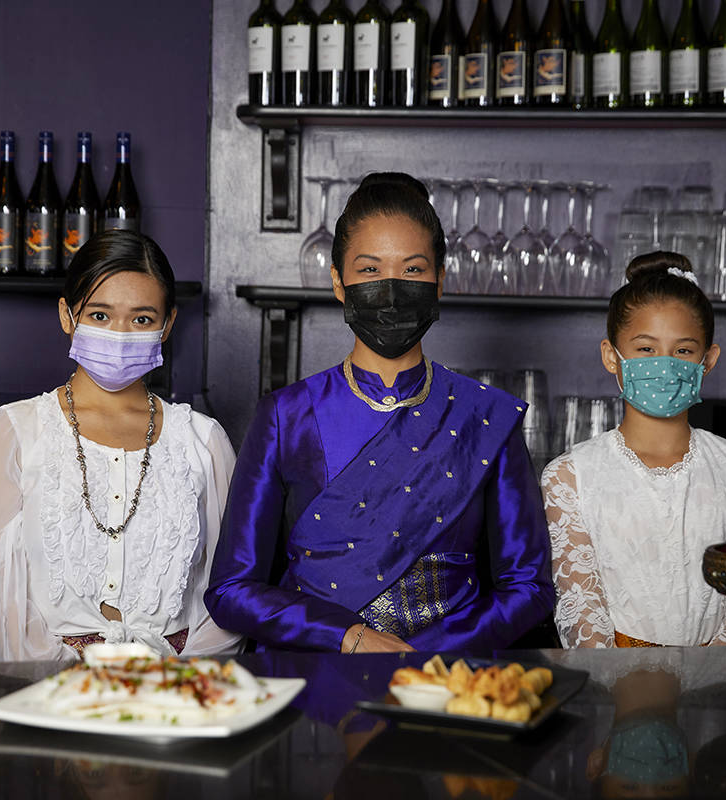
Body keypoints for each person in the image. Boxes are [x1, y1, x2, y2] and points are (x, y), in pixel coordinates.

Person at [205, 172, 555, 654]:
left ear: (440, 281)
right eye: (370, 270)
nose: (391, 289)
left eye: (412, 270)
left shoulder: (486, 417)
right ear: (338, 282)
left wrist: (429, 654)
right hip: (312, 675)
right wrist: (347, 637)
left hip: (448, 681)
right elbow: (231, 590)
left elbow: (529, 588)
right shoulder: (286, 416)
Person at [0, 230, 240, 662]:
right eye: (100, 315)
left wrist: (172, 681)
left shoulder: (204, 441)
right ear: (67, 315)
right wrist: (69, 681)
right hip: (44, 688)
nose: (120, 334)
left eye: (142, 319)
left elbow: (231, 593)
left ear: (167, 325)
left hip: (177, 687)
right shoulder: (16, 431)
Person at [542, 252, 726, 649]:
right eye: (646, 349)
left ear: (708, 360)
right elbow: (581, 607)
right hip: (610, 680)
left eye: (683, 351)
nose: (664, 366)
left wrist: (705, 677)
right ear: (611, 356)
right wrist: (625, 678)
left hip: (719, 680)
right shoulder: (569, 477)